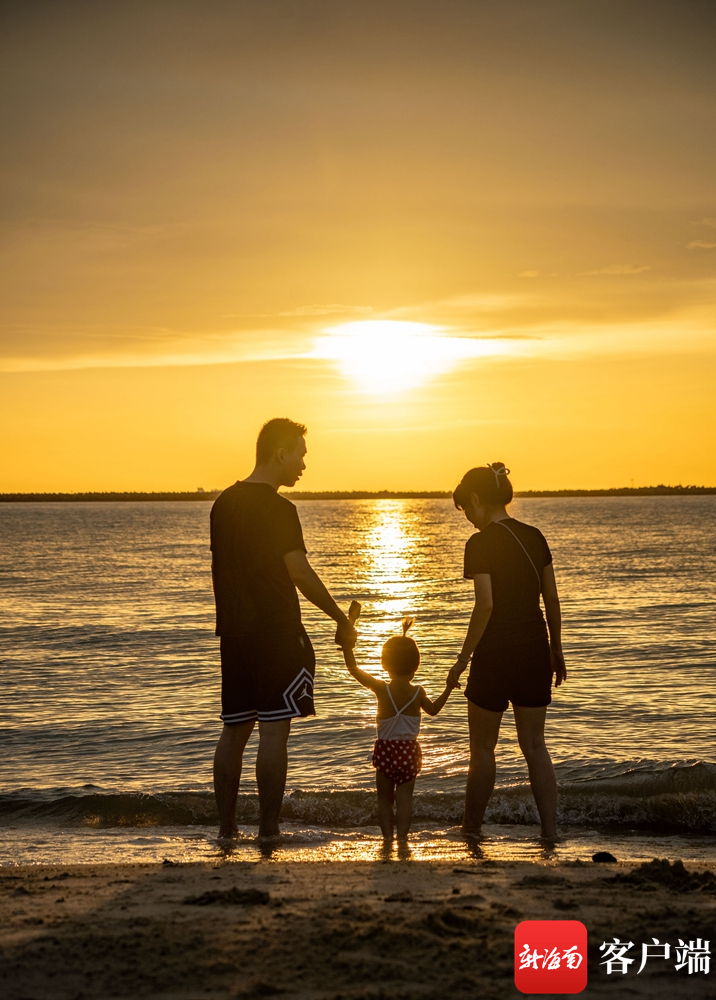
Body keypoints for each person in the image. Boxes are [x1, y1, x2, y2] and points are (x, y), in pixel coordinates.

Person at [210, 418, 357, 839]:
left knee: (234, 729)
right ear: (280, 454)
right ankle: (268, 831)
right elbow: (300, 572)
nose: (304, 465)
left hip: (234, 635)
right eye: (301, 455)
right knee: (274, 733)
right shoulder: (279, 509)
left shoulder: (223, 504)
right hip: (276, 633)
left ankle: (226, 830)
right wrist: (339, 617)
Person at [448, 462, 567, 840]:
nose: (467, 519)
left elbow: (485, 605)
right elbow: (551, 598)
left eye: (466, 509)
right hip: (534, 651)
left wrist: (462, 659)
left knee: (482, 747)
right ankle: (549, 832)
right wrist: (556, 649)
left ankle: (471, 828)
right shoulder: (535, 536)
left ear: (477, 499)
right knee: (535, 745)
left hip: (494, 655)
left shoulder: (479, 543)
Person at [342, 603, 456, 841]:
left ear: (384, 664)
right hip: (409, 751)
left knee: (384, 801)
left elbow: (352, 668)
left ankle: (387, 840)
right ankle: (402, 840)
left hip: (385, 750)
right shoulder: (418, 693)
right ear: (416, 665)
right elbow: (434, 710)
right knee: (405, 801)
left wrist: (348, 632)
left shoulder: (380, 689)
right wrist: (448, 687)